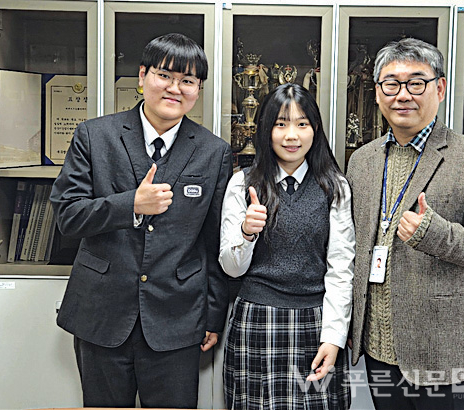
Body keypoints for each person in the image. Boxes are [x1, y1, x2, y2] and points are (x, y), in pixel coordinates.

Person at [50, 33, 233, 408]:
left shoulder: (214, 152)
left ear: (198, 89)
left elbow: (213, 242)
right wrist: (130, 204)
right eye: (164, 75)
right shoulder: (94, 135)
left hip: (178, 318)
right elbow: (67, 215)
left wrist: (213, 317)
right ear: (142, 76)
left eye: (187, 80)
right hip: (101, 315)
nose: (174, 88)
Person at [346, 38, 464, 409]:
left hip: (445, 354)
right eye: (391, 84)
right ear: (377, 92)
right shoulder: (361, 161)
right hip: (378, 348)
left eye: (416, 83)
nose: (402, 95)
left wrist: (437, 235)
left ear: (439, 88)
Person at [219, 83, 355, 410]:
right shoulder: (243, 183)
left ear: (315, 129)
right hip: (257, 320)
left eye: (301, 124)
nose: (291, 135)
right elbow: (230, 268)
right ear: (266, 130)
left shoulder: (334, 187)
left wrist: (334, 337)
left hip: (316, 320)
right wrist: (247, 232)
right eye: (280, 124)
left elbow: (341, 268)